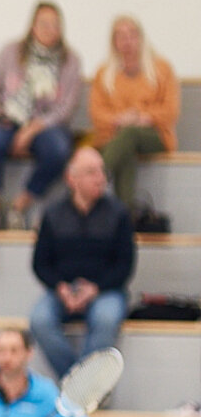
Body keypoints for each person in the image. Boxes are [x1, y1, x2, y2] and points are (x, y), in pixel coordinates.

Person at [30, 147, 135, 379]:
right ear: (71, 178)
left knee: (105, 319)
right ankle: (80, 382)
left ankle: (81, 387)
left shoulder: (118, 213)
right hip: (63, 289)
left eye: (102, 171)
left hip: (106, 290)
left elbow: (125, 265)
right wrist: (61, 288)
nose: (100, 178)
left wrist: (95, 288)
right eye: (91, 172)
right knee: (40, 320)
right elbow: (40, 264)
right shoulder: (53, 214)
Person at [0, 1, 83, 229]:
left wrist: (31, 129)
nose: (50, 29)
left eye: (55, 25)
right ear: (33, 26)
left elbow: (66, 108)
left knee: (58, 151)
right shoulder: (10, 52)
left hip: (47, 125)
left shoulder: (70, 61)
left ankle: (20, 205)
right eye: (44, 24)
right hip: (8, 120)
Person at [88, 15, 179, 207]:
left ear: (141, 38)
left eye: (132, 35)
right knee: (126, 148)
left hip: (154, 135)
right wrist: (119, 120)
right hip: (115, 136)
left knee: (129, 134)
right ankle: (125, 216)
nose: (127, 41)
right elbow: (97, 113)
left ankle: (89, 181)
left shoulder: (162, 69)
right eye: (120, 36)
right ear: (113, 42)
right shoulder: (104, 72)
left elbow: (170, 110)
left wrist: (142, 117)